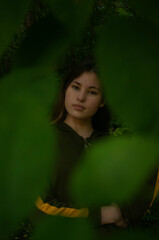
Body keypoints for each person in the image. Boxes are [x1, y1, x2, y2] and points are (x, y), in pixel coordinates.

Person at [34, 60, 128, 229]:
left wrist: (125, 212)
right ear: (65, 89)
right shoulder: (42, 139)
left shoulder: (110, 145)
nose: (81, 97)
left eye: (92, 92)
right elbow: (39, 206)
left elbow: (138, 190)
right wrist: (101, 215)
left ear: (102, 101)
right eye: (76, 87)